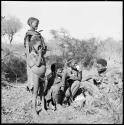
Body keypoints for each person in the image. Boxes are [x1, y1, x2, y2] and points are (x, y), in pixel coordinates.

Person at [24, 17, 47, 92]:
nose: (37, 24)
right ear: (30, 24)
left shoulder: (38, 34)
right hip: (32, 57)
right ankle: (34, 96)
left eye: (38, 23)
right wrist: (28, 59)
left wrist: (42, 51)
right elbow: (27, 47)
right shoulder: (28, 34)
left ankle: (40, 97)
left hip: (40, 56)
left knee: (41, 78)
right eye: (35, 23)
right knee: (32, 78)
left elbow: (42, 45)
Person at [27, 35, 46, 116]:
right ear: (33, 46)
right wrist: (40, 54)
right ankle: (34, 111)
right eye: (38, 46)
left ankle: (43, 108)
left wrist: (41, 54)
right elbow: (38, 64)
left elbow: (43, 63)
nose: (40, 48)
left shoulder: (39, 54)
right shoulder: (31, 55)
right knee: (35, 93)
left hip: (41, 76)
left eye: (40, 46)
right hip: (35, 76)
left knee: (42, 93)